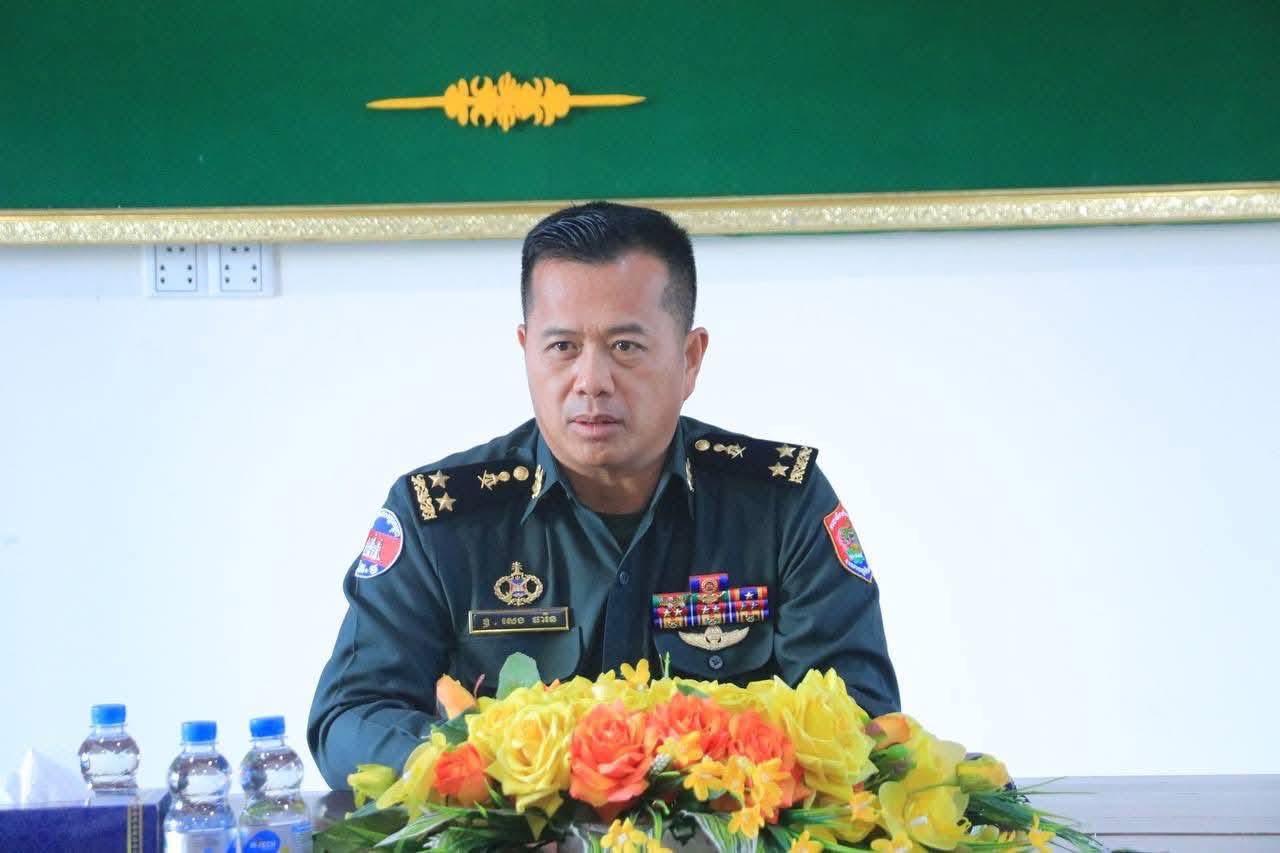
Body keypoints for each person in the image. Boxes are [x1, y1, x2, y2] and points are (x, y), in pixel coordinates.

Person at [307, 201, 899, 789]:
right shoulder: (440, 518)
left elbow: (858, 722)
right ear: (526, 350)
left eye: (625, 347)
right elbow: (349, 720)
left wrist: (690, 765)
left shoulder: (781, 503)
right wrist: (498, 764)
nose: (591, 381)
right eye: (563, 347)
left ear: (690, 359)